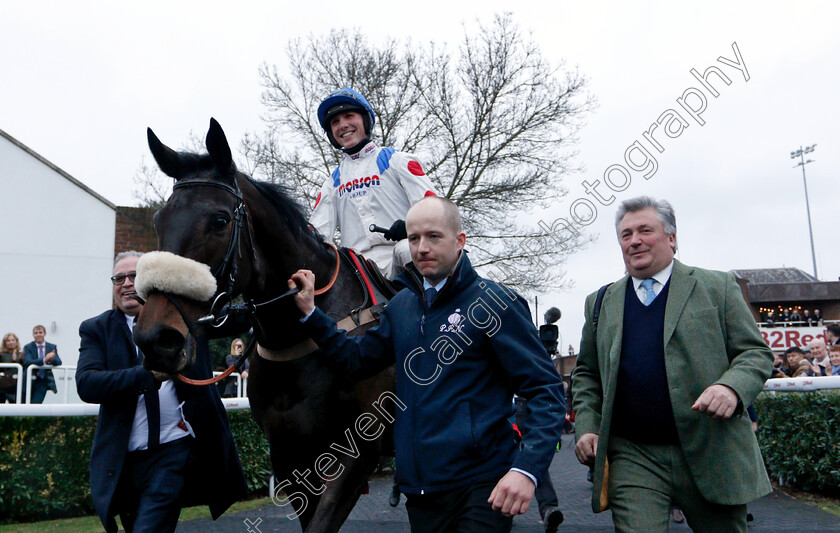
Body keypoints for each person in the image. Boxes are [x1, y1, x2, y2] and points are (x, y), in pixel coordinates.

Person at [291, 196, 564, 533]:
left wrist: (526, 470)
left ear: (460, 240)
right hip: (421, 491)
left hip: (482, 486)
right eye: (414, 238)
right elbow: (355, 360)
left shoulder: (497, 304)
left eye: (434, 236)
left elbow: (546, 390)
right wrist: (311, 314)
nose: (421, 247)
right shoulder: (401, 306)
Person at [572, 196, 773, 532]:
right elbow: (587, 374)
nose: (634, 240)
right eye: (625, 234)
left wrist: (731, 387)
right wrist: (588, 426)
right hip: (634, 456)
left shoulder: (717, 287)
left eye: (645, 230)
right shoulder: (600, 302)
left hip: (712, 449)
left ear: (671, 238)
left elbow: (755, 353)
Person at [75, 251, 247, 533]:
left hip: (172, 451)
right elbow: (87, 383)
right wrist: (145, 377)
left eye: (134, 276)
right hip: (124, 460)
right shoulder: (96, 329)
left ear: (150, 283)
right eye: (119, 278)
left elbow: (238, 318)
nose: (127, 284)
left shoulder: (185, 315)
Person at [310, 87, 438, 279]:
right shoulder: (332, 183)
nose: (342, 125)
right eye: (335, 122)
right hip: (356, 268)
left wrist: (412, 227)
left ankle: (434, 305)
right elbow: (316, 235)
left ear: (365, 119)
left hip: (403, 253)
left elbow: (435, 210)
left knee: (406, 249)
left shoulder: (397, 160)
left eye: (349, 116)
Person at [513, 395, 565, 533]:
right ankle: (548, 507)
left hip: (509, 402)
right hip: (529, 399)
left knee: (507, 454)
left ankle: (502, 508)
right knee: (533, 458)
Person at [22, 324, 61, 403]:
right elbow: (28, 361)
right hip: (30, 379)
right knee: (25, 403)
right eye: (36, 333)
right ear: (33, 335)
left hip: (43, 380)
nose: (38, 335)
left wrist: (50, 360)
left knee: (36, 404)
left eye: (40, 332)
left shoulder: (51, 347)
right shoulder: (28, 347)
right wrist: (44, 359)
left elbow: (58, 361)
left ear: (45, 334)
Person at [0, 332, 23, 403]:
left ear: (16, 341)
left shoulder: (21, 355)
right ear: (5, 343)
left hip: (16, 386)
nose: (11, 342)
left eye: (13, 340)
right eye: (8, 340)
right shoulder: (1, 355)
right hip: (2, 385)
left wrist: (17, 359)